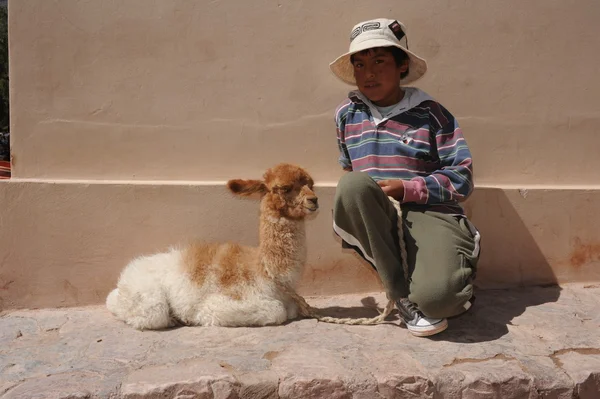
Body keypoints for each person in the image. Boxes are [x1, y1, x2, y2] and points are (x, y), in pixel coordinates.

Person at [329, 18, 481, 337]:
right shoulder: (346, 115)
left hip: (430, 213)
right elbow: (350, 173)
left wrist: (407, 188)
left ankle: (452, 263)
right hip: (380, 218)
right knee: (352, 185)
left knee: (439, 301)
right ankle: (401, 297)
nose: (368, 73)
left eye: (380, 61)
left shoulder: (431, 113)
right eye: (359, 64)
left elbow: (462, 177)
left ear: (401, 66)